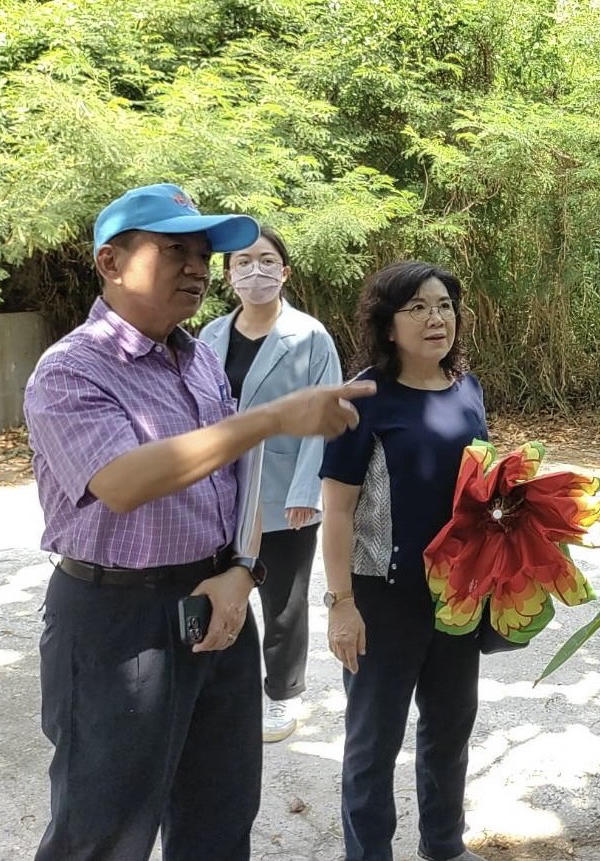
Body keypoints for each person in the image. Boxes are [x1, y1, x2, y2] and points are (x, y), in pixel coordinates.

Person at [23, 183, 375, 861]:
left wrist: (241, 571)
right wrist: (270, 417)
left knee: (219, 815)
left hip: (216, 605)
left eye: (204, 253)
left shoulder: (198, 357)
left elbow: (235, 481)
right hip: (117, 623)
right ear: (111, 262)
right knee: (104, 829)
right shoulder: (70, 370)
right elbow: (122, 481)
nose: (197, 267)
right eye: (174, 250)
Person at [319, 261, 490, 861]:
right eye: (416, 307)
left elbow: (479, 489)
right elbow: (336, 511)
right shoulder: (362, 398)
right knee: (372, 744)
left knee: (449, 733)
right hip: (381, 597)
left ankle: (444, 847)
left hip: (457, 596)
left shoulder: (468, 389)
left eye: (443, 305)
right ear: (388, 325)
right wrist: (341, 605)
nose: (434, 317)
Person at [199, 226, 342, 742]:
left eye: (266, 261)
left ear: (283, 272)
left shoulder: (309, 335)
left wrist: (307, 490)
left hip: (283, 490)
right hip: (219, 489)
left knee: (282, 598)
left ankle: (282, 694)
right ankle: (221, 682)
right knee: (218, 585)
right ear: (228, 275)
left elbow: (327, 413)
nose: (254, 271)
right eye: (242, 262)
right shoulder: (209, 335)